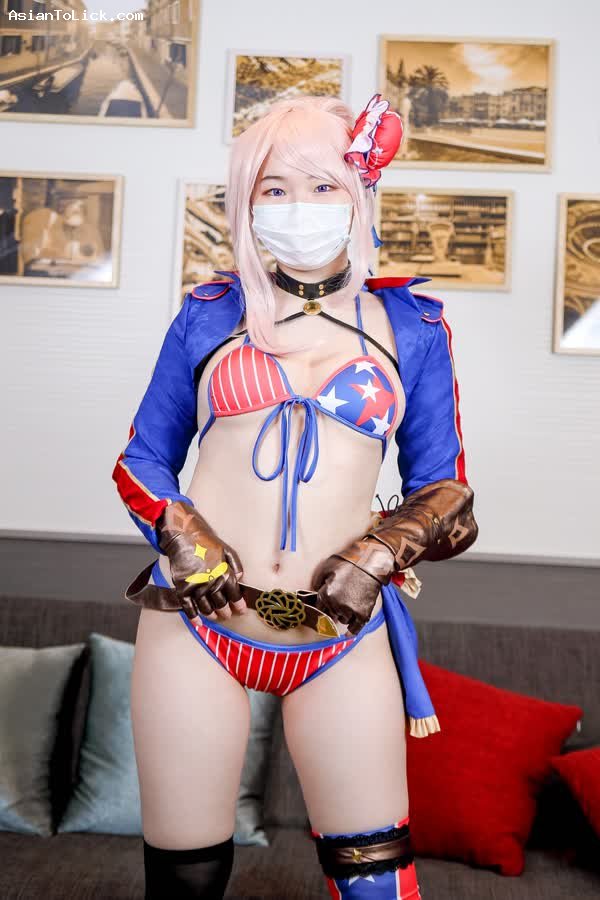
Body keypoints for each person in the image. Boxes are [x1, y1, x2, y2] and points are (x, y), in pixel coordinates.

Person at [112, 93, 479, 899]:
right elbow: (142, 460)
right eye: (273, 188)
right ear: (247, 202)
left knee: (376, 876)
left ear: (358, 195)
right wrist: (185, 538)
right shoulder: (210, 315)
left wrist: (378, 554)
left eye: (320, 186)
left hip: (339, 631)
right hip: (198, 623)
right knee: (184, 878)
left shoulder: (413, 327)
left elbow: (447, 492)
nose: (298, 207)